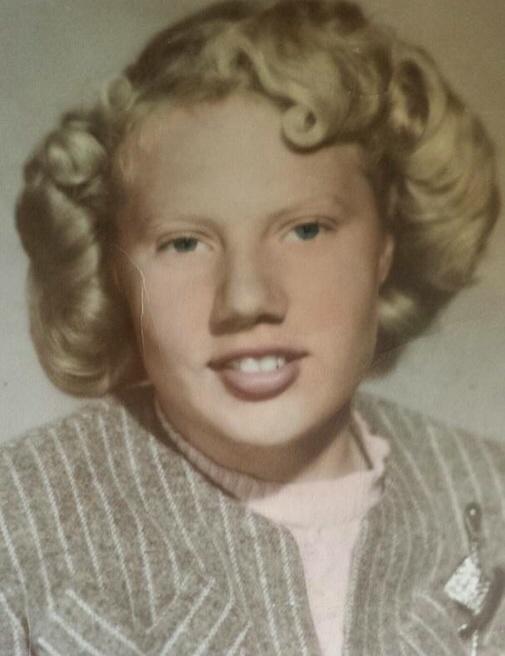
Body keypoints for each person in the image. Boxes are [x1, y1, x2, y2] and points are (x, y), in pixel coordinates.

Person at [1, 1, 504, 654]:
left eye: (305, 230)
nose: (245, 299)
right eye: (184, 242)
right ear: (116, 269)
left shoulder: (489, 491)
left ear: (386, 243)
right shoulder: (17, 527)